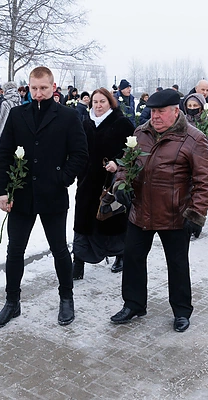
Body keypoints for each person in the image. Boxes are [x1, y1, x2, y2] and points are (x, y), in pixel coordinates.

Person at [109, 88, 208, 333]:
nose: (154, 116)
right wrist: (120, 184)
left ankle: (181, 311)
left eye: (161, 112)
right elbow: (126, 163)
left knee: (177, 264)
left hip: (174, 214)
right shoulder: (140, 133)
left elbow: (204, 180)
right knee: (133, 259)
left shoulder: (193, 138)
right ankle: (133, 304)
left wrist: (197, 213)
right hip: (140, 210)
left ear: (176, 111)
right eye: (153, 111)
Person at [0, 66, 88, 329]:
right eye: (34, 88)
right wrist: (2, 191)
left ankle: (66, 298)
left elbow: (80, 154)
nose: (38, 94)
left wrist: (62, 178)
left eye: (43, 88)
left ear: (53, 87)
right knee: (15, 251)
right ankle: (12, 302)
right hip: (21, 195)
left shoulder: (67, 116)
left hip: (53, 195)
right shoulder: (17, 114)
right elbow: (5, 154)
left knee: (59, 249)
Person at [72, 88, 135, 280]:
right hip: (87, 181)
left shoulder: (121, 123)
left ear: (110, 103)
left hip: (111, 182)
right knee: (83, 220)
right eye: (95, 102)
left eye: (102, 102)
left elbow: (131, 149)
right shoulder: (85, 124)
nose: (98, 106)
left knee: (112, 218)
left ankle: (120, 255)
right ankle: (79, 261)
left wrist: (118, 163)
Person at [0, 82, 21, 149]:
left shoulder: (5, 103)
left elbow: (1, 121)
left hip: (7, 133)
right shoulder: (19, 101)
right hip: (18, 132)